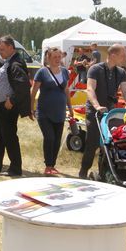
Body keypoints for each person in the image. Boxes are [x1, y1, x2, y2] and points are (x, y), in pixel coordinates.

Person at [78, 43, 126, 179]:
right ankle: (84, 171)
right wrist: (97, 106)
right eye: (122, 55)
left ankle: (105, 173)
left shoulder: (121, 72)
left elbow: (125, 90)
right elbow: (90, 89)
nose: (124, 58)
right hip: (95, 111)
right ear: (113, 55)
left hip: (110, 112)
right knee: (92, 143)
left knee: (109, 143)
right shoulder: (95, 69)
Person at [0, 35, 31, 177]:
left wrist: (11, 100)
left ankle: (15, 168)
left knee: (9, 137)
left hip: (7, 107)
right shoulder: (9, 61)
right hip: (1, 106)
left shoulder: (15, 63)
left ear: (11, 47)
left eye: (2, 49)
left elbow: (23, 85)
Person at [30, 47, 71, 176]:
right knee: (49, 138)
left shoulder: (64, 72)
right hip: (44, 112)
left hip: (60, 112)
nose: (57, 59)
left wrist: (70, 108)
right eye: (55, 57)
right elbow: (34, 90)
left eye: (59, 57)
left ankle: (52, 165)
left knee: (57, 140)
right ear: (48, 58)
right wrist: (31, 107)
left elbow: (66, 90)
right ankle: (48, 165)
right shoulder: (42, 72)